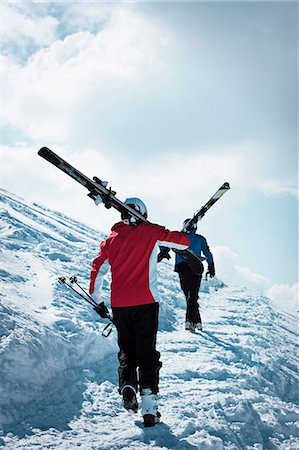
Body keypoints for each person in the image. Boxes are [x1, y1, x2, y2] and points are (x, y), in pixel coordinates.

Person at [89, 198, 189, 427]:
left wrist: (98, 300)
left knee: (127, 350)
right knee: (147, 353)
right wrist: (175, 233)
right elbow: (182, 242)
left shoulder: (110, 241)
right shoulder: (150, 232)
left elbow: (98, 270)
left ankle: (127, 385)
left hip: (120, 305)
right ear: (143, 213)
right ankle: (149, 409)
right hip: (146, 302)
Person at [175, 219, 215, 333]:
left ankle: (189, 321)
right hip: (196, 267)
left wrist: (163, 252)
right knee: (192, 296)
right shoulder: (200, 238)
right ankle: (197, 321)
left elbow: (164, 245)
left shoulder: (178, 236)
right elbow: (207, 253)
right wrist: (211, 265)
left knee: (189, 295)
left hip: (182, 267)